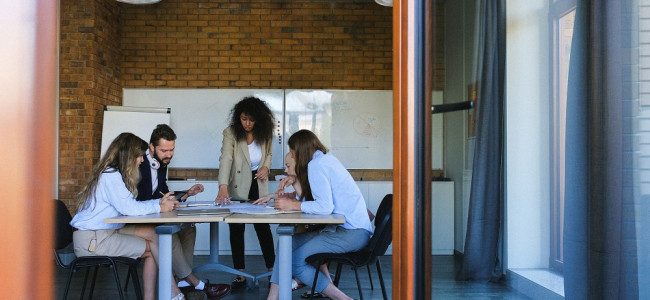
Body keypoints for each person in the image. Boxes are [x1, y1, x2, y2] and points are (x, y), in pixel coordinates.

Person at [260, 129, 373, 300]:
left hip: (352, 233)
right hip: (351, 230)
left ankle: (343, 299)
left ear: (301, 152)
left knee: (297, 262)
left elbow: (324, 207)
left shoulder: (316, 165)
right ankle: (272, 297)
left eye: (292, 152)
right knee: (287, 243)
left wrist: (293, 205)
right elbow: (321, 202)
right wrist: (296, 185)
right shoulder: (324, 160)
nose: (291, 156)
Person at [69, 132, 183, 300]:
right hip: (93, 240)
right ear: (128, 156)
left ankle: (170, 293)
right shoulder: (111, 176)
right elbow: (129, 208)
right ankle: (173, 293)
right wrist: (159, 205)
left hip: (102, 232)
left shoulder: (112, 173)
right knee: (153, 249)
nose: (142, 160)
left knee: (153, 235)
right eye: (139, 155)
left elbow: (129, 206)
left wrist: (159, 203)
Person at [137, 124, 231, 299]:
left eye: (171, 150)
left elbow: (163, 193)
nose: (169, 155)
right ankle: (197, 283)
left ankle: (183, 281)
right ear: (151, 147)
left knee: (188, 227)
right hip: (139, 219)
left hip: (155, 214)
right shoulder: (138, 165)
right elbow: (138, 201)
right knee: (169, 233)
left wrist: (186, 194)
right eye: (164, 150)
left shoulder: (161, 163)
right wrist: (161, 203)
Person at [215, 96, 276, 288]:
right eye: (243, 119)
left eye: (251, 119)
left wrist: (266, 167)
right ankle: (239, 273)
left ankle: (272, 271)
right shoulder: (230, 132)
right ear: (238, 118)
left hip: (258, 183)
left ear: (259, 119)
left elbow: (268, 155)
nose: (247, 123)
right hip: (237, 183)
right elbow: (225, 159)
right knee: (236, 227)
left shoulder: (265, 132)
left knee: (263, 228)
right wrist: (222, 186)